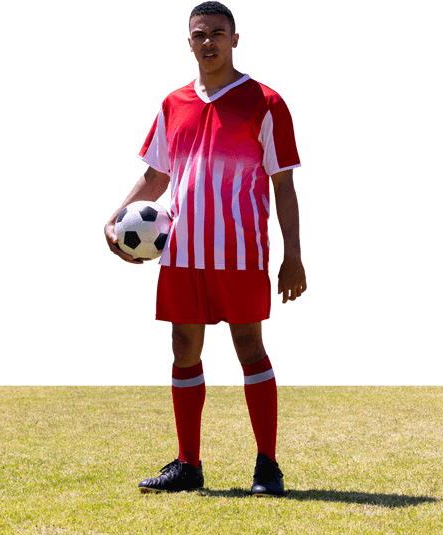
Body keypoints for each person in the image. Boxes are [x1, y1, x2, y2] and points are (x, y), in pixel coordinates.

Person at [103, 1, 307, 497]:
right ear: (188, 43)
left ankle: (267, 466)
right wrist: (112, 222)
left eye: (218, 33)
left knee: (248, 346)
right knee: (182, 348)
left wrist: (293, 255)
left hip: (239, 251)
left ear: (236, 40)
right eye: (200, 34)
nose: (209, 41)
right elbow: (156, 176)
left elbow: (283, 185)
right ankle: (188, 466)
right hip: (180, 251)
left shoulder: (266, 101)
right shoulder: (173, 103)